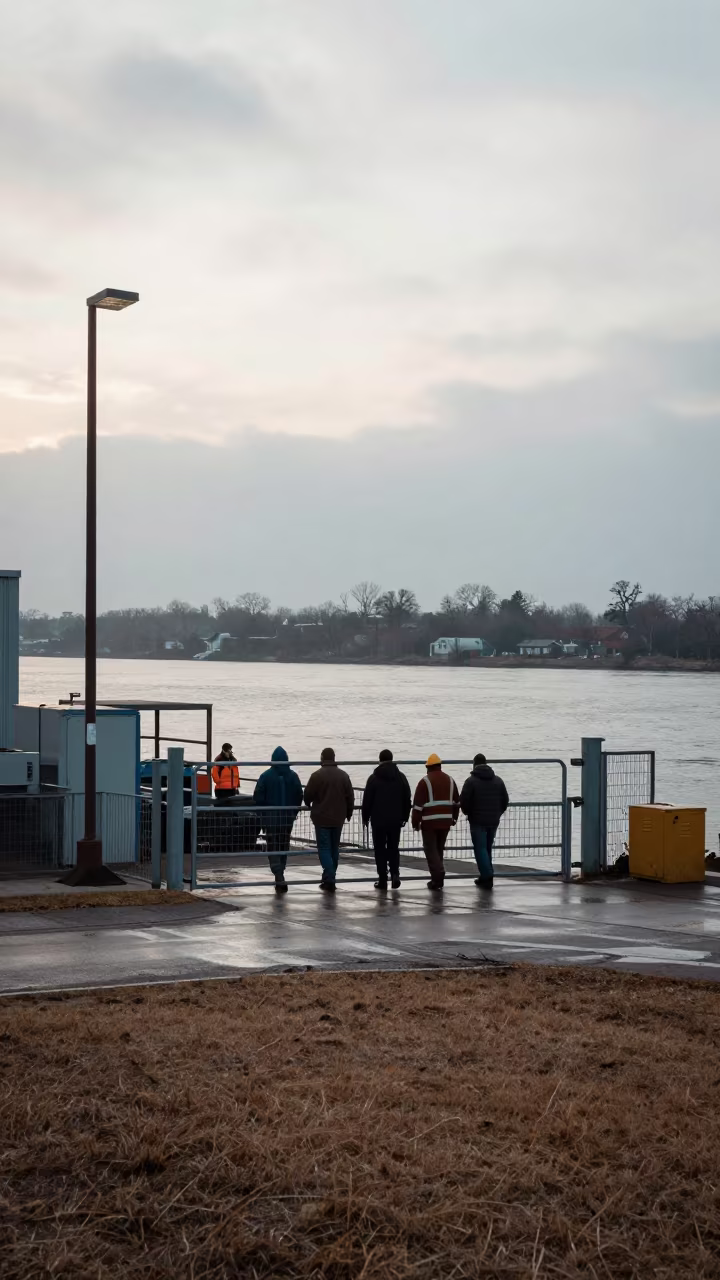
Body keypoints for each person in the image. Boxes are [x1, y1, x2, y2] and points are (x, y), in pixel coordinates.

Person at [303, 747, 354, 892]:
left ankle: (330, 877)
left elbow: (308, 795)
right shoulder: (344, 776)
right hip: (338, 818)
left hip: (321, 818)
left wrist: (308, 803)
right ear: (334, 758)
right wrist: (348, 813)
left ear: (322, 758)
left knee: (324, 849)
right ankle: (329, 878)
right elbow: (350, 796)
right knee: (334, 849)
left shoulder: (316, 775)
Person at [253, 746, 303, 893]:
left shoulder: (265, 776)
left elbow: (258, 797)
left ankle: (278, 874)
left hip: (271, 819)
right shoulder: (293, 776)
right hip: (287, 819)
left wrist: (262, 814)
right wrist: (293, 812)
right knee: (283, 844)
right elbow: (299, 795)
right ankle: (281, 870)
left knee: (273, 845)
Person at [361, 749, 411, 890]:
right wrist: (405, 816)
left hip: (378, 820)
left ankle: (382, 878)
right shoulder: (401, 777)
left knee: (380, 849)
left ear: (380, 760)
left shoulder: (374, 778)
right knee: (393, 848)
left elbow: (367, 800)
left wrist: (365, 817)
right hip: (396, 820)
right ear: (392, 759)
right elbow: (407, 798)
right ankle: (395, 874)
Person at [459, 753, 509, 890]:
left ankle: (487, 876)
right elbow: (505, 800)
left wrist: (468, 812)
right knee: (487, 848)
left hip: (477, 820)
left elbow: (464, 801)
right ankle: (486, 875)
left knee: (480, 848)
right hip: (493, 820)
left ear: (474, 764)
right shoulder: (498, 780)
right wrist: (498, 813)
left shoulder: (471, 781)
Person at [412, 753, 460, 890]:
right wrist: (454, 818)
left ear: (428, 767)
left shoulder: (424, 782)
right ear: (440, 766)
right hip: (446, 821)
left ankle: (437, 876)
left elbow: (417, 806)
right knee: (439, 849)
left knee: (430, 849)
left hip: (429, 823)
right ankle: (437, 876)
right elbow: (457, 803)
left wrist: (415, 823)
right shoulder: (450, 780)